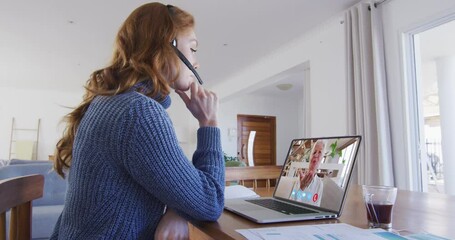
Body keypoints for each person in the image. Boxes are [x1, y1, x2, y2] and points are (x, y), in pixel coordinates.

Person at [50, 3, 224, 239]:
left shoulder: (113, 103)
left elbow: (183, 189)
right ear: (168, 45)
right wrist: (209, 123)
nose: (196, 62)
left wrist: (179, 209)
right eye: (192, 49)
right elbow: (210, 202)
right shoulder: (139, 114)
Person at [290, 140, 326, 206]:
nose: (316, 155)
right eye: (314, 152)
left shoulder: (319, 184)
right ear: (310, 157)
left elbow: (316, 208)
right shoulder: (300, 178)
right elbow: (291, 204)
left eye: (319, 152)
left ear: (322, 158)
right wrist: (301, 188)